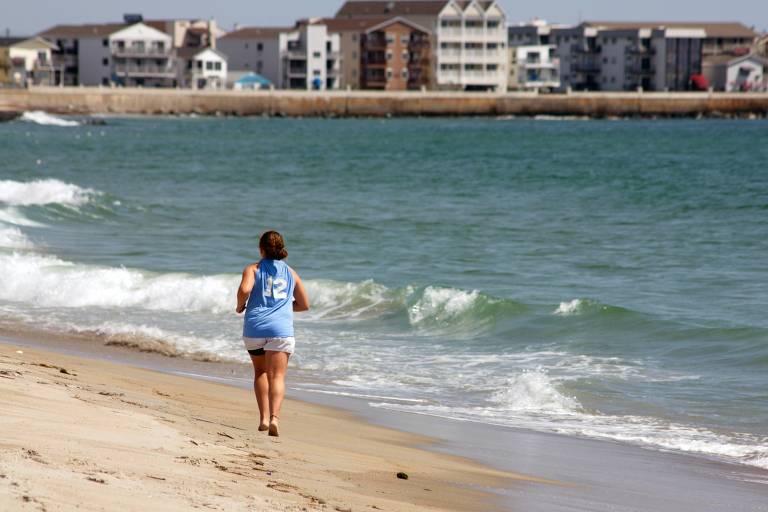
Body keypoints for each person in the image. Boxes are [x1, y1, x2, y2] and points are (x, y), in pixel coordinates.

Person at [236, 231, 309, 436]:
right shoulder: (291, 273)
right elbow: (304, 304)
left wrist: (240, 305)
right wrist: (284, 307)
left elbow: (245, 290)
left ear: (261, 249)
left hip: (255, 327)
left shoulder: (254, 268)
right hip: (281, 330)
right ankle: (275, 419)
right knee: (277, 376)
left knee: (260, 372)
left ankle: (263, 419)